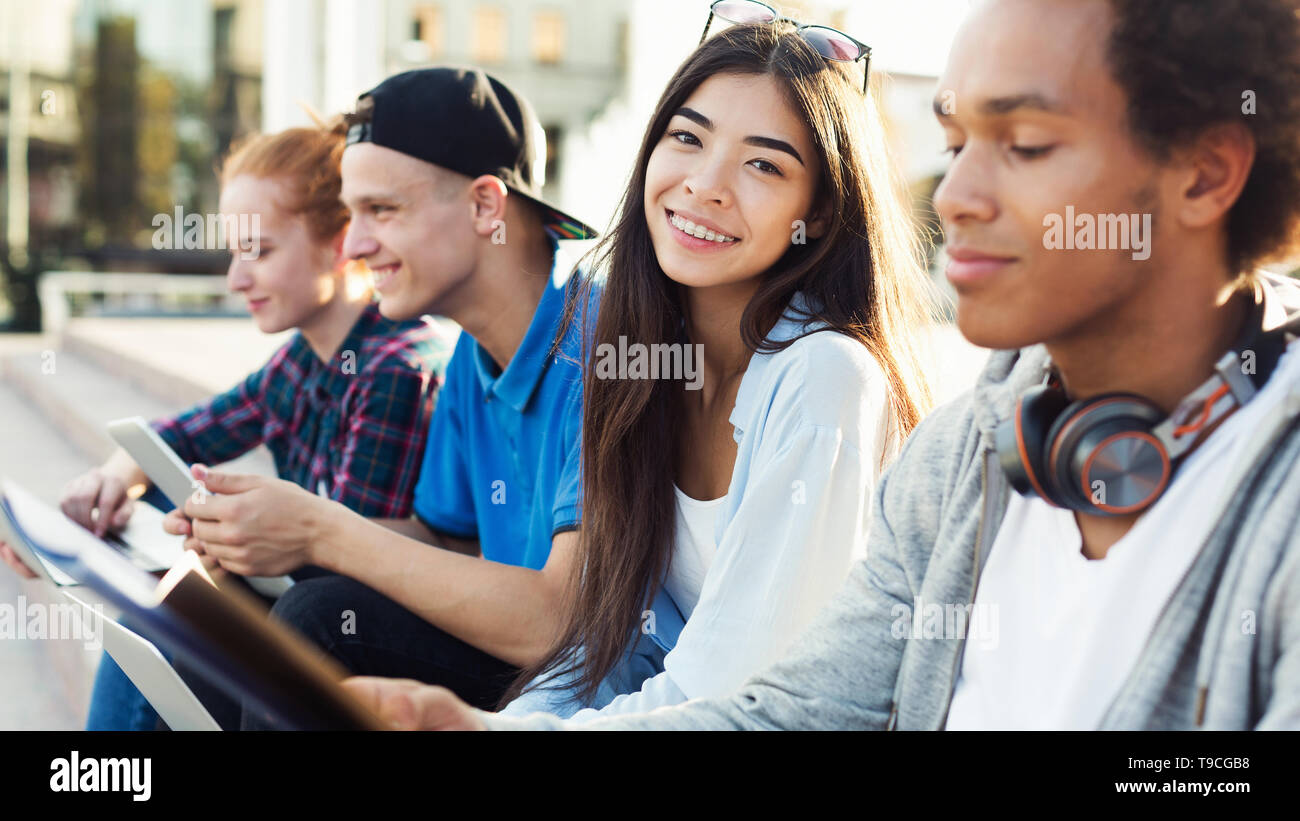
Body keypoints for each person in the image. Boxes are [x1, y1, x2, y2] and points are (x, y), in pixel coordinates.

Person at [342, 0, 1300, 731]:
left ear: (1205, 174)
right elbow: (784, 710)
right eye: (959, 141)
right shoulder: (970, 454)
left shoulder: (1277, 506)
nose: (955, 194)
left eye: (1028, 144)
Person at [493, 14, 934, 721]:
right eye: (688, 138)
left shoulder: (824, 377)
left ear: (817, 213)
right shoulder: (641, 359)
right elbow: (611, 644)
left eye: (763, 164)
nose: (704, 185)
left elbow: (733, 693)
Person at [158, 67, 602, 726]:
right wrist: (264, 529)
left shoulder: (601, 352)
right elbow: (442, 539)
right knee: (218, 603)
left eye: (381, 210)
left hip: (581, 681)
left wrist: (317, 529)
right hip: (512, 649)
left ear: (485, 206)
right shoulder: (469, 361)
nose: (356, 244)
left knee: (317, 619)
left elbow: (555, 622)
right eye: (351, 211)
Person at [0, 121, 452, 730]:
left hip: (355, 642)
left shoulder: (394, 370)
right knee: (163, 580)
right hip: (302, 603)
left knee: (178, 611)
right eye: (235, 253)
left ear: (340, 242)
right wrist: (110, 485)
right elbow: (182, 435)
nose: (236, 280)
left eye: (259, 251)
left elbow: (346, 563)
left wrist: (219, 542)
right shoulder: (302, 360)